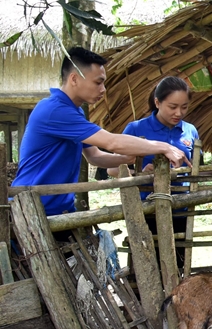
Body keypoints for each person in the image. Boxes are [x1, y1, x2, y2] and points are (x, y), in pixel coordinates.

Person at [12, 48, 190, 223]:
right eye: (98, 82)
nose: (103, 89)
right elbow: (111, 142)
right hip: (31, 209)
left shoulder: (74, 112)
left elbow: (95, 157)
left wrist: (128, 158)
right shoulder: (54, 110)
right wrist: (164, 146)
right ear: (74, 79)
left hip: (57, 209)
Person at [116, 76, 212, 270]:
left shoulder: (190, 131)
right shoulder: (136, 128)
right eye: (172, 107)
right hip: (146, 211)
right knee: (146, 269)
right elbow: (113, 169)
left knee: (178, 268)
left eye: (184, 107)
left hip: (181, 210)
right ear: (157, 102)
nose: (178, 113)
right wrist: (139, 173)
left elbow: (194, 176)